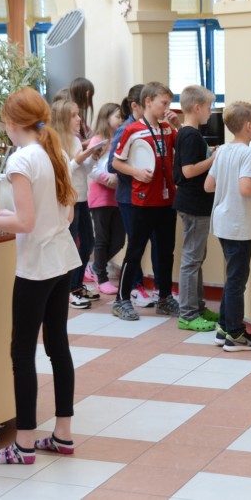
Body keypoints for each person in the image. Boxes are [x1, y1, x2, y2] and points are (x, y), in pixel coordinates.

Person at [0, 87, 80, 466]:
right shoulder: (55, 152)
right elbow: (65, 214)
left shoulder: (21, 160)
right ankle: (63, 435)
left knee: (22, 352)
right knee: (58, 347)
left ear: (11, 123)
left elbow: (27, 222)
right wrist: (6, 217)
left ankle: (24, 444)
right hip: (62, 260)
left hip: (37, 267)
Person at [204, 101, 251, 351]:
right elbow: (246, 189)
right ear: (247, 126)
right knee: (237, 280)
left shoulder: (223, 150)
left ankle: (224, 328)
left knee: (232, 277)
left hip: (223, 221)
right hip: (238, 224)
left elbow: (208, 186)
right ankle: (235, 334)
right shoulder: (248, 153)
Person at [110, 81, 180, 321]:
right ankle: (121, 300)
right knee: (135, 250)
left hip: (167, 200)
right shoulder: (132, 130)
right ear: (148, 102)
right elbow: (116, 162)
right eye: (163, 103)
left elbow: (183, 146)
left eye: (169, 103)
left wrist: (178, 125)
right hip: (142, 201)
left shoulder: (167, 129)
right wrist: (136, 172)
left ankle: (164, 298)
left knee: (166, 251)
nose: (166, 108)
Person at [173, 85, 220, 332]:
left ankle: (198, 307)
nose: (211, 113)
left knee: (196, 258)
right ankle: (188, 314)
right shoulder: (190, 135)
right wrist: (214, 159)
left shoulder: (188, 133)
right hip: (193, 204)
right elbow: (188, 170)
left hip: (196, 204)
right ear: (197, 107)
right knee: (192, 260)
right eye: (209, 107)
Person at [107, 85, 158, 308]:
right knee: (136, 244)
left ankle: (159, 289)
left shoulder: (153, 128)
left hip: (149, 197)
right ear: (136, 105)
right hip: (129, 197)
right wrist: (136, 171)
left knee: (155, 243)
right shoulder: (125, 130)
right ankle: (135, 287)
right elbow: (112, 165)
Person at [50, 98, 104, 309]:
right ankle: (68, 290)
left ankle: (76, 285)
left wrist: (92, 157)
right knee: (70, 245)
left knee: (88, 243)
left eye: (78, 114)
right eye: (73, 115)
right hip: (68, 201)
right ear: (62, 118)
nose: (79, 119)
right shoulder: (55, 142)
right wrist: (80, 159)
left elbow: (84, 170)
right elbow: (64, 172)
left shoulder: (74, 139)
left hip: (81, 198)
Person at [86, 103, 123, 296]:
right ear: (106, 118)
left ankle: (95, 267)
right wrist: (106, 178)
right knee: (102, 239)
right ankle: (101, 277)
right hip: (100, 197)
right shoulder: (97, 140)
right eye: (118, 116)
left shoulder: (121, 140)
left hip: (117, 197)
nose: (121, 120)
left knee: (118, 240)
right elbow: (90, 167)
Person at [69, 77, 95, 147]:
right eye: (91, 96)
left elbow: (89, 133)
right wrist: (85, 143)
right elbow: (70, 145)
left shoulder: (80, 117)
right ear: (87, 94)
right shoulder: (71, 117)